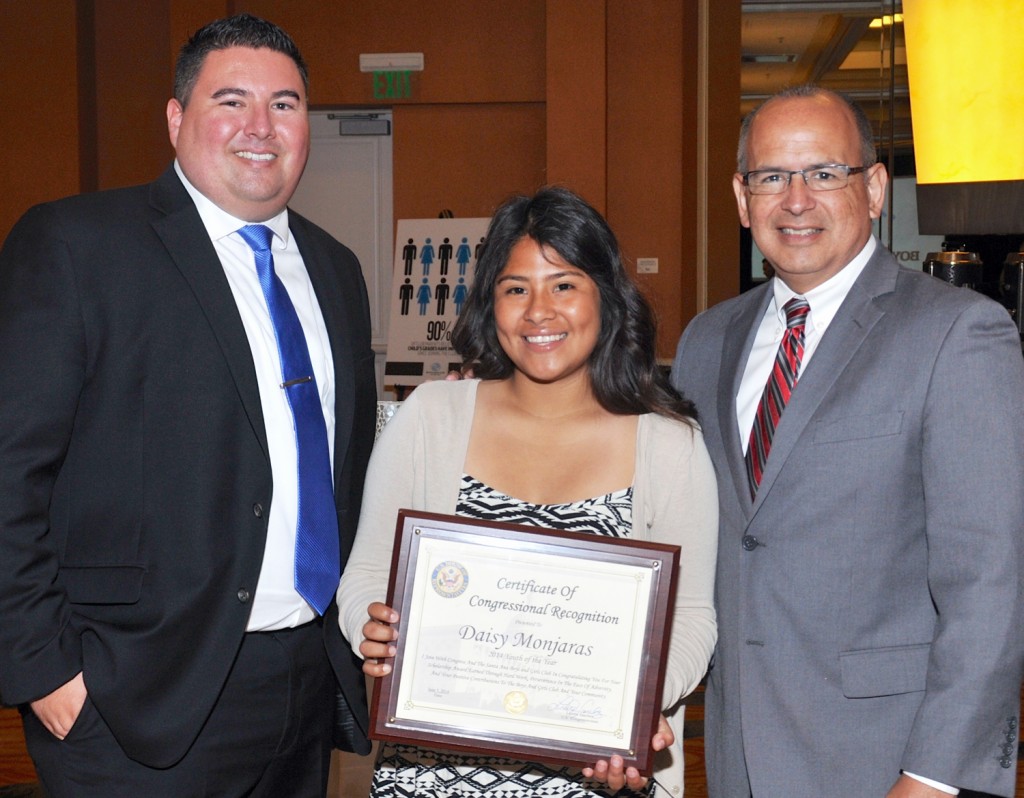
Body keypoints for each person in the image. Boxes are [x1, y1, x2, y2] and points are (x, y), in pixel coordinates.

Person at [0, 13, 376, 797]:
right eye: (231, 100)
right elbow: (10, 472)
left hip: (303, 686)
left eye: (285, 104)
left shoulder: (337, 271)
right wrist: (45, 672)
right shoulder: (76, 246)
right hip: (133, 697)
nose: (260, 127)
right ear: (176, 119)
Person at [671, 84, 1024, 797]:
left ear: (873, 189)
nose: (795, 199)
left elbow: (989, 581)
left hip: (889, 760)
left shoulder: (958, 334)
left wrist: (932, 777)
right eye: (771, 176)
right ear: (742, 200)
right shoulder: (707, 340)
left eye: (824, 172)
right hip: (738, 748)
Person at [338, 186, 718, 798]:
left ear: (607, 296)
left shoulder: (669, 444)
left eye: (563, 284)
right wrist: (369, 627)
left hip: (596, 780)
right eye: (516, 288)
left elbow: (693, 617)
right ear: (491, 304)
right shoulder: (430, 417)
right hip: (432, 776)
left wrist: (636, 710)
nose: (538, 312)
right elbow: (366, 575)